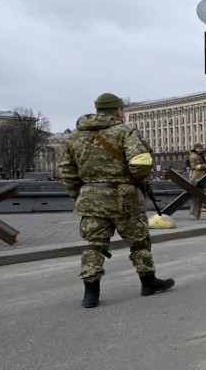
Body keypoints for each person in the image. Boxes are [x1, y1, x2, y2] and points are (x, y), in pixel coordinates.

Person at [59, 92, 175, 308]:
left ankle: (90, 294)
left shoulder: (75, 136)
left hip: (91, 198)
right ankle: (148, 282)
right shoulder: (125, 131)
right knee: (139, 241)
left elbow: (66, 169)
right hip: (125, 199)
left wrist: (80, 195)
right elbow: (140, 164)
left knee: (95, 245)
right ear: (119, 110)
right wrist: (134, 183)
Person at [188, 143, 206, 219]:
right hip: (196, 175)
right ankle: (199, 208)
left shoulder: (199, 155)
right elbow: (196, 167)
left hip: (200, 175)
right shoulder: (194, 156)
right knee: (199, 192)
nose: (200, 149)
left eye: (201, 148)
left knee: (201, 191)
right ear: (195, 149)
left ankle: (200, 207)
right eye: (198, 148)